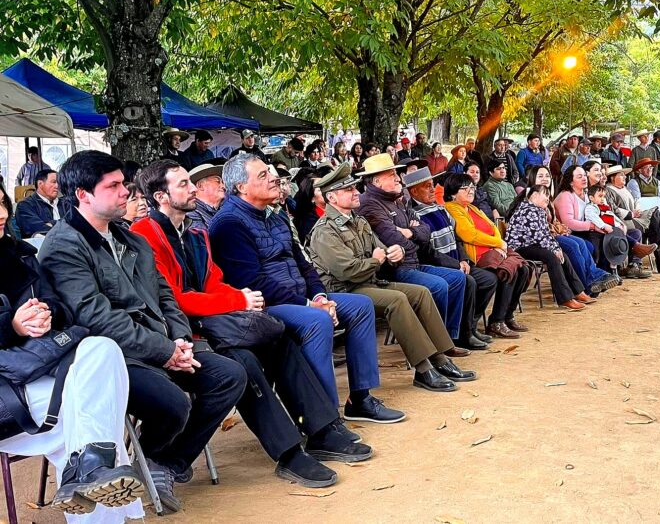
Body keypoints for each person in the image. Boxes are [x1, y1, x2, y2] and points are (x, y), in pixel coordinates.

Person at [132, 160, 375, 488]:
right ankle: (289, 454)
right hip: (181, 333)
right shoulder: (145, 234)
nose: (195, 188)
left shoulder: (194, 230)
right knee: (244, 362)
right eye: (184, 184)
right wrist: (238, 301)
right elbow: (173, 299)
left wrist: (240, 295)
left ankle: (321, 429)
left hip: (213, 323)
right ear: (161, 197)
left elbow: (212, 281)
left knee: (279, 339)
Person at [38, 151, 246, 513]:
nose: (126, 192)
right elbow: (96, 318)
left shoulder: (129, 237)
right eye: (114, 186)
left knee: (229, 375)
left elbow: (164, 294)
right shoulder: (64, 246)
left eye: (125, 184)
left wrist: (180, 339)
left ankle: (161, 463)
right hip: (109, 357)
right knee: (173, 404)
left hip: (158, 344)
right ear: (84, 195)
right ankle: (150, 465)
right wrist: (165, 349)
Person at [208, 154, 396, 416]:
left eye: (270, 172)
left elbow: (304, 264)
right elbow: (251, 282)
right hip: (264, 307)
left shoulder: (275, 216)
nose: (274, 178)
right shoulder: (229, 223)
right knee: (316, 321)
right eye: (263, 175)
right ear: (241, 187)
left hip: (300, 298)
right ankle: (325, 417)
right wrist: (309, 305)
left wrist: (319, 296)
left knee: (361, 306)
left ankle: (360, 399)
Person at [0, 201, 146, 520]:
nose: (1, 214)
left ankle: (84, 472)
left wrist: (47, 315)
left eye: (0, 203)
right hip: (7, 394)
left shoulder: (20, 255)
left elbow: (59, 306)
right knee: (90, 413)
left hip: (39, 367)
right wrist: (10, 325)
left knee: (102, 348)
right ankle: (83, 473)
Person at [307, 165, 475, 391]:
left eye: (354, 187)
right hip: (345, 289)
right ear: (332, 197)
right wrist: (378, 260)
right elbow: (347, 271)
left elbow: (384, 248)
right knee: (397, 300)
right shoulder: (325, 230)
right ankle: (423, 369)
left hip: (369, 282)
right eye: (348, 189)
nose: (356, 192)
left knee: (421, 293)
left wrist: (396, 253)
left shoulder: (359, 221)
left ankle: (440, 358)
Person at [357, 154, 467, 347]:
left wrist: (410, 232)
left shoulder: (396, 199)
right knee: (439, 286)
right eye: (392, 175)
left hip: (413, 263)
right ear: (377, 181)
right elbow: (394, 239)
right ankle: (434, 345)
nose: (399, 178)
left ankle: (449, 338)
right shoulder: (369, 205)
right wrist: (414, 234)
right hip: (394, 270)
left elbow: (426, 231)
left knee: (458, 278)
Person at [405, 168, 497, 350]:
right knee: (468, 282)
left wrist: (463, 260)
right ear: (414, 191)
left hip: (456, 262)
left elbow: (456, 239)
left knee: (489, 279)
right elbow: (427, 252)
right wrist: (456, 265)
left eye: (433, 185)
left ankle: (470, 325)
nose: (433, 190)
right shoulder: (413, 214)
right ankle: (462, 335)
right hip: (436, 266)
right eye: (427, 187)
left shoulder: (440, 209)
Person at [444, 174, 530, 339]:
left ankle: (506, 316)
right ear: (453, 193)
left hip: (493, 250)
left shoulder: (473, 207)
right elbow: (469, 235)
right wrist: (497, 243)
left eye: (472, 187)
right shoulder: (452, 207)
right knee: (506, 271)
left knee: (523, 269)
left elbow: (493, 227)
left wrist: (497, 243)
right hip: (478, 256)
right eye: (465, 188)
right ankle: (495, 321)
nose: (471, 190)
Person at [505, 186, 588, 309]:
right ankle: (565, 298)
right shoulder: (528, 210)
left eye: (548, 195)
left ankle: (577, 291)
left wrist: (557, 248)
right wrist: (554, 250)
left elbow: (546, 235)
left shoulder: (538, 210)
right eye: (545, 195)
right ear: (534, 196)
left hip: (533, 245)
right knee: (551, 256)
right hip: (520, 248)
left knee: (562, 254)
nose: (548, 199)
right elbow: (538, 237)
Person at [553, 165, 626, 283]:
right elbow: (568, 223)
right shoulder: (566, 195)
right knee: (591, 245)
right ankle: (595, 278)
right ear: (571, 182)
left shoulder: (587, 194)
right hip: (570, 232)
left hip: (585, 231)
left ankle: (607, 273)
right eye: (579, 176)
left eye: (584, 176)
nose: (584, 179)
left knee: (608, 236)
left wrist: (616, 223)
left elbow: (601, 211)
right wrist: (593, 226)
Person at [586, 181, 654, 279]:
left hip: (610, 233)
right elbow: (593, 217)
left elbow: (614, 217)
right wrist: (603, 226)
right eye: (600, 196)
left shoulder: (605, 208)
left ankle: (621, 270)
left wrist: (621, 225)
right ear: (591, 198)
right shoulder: (591, 208)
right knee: (603, 250)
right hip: (598, 234)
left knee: (619, 243)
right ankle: (636, 247)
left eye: (604, 196)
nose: (602, 199)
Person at [626, 158, 660, 274]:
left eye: (651, 167)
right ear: (640, 170)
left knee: (656, 218)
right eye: (647, 168)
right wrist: (652, 208)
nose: (650, 170)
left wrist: (658, 207)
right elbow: (637, 200)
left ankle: (650, 260)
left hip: (654, 216)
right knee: (656, 219)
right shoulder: (634, 182)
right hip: (641, 214)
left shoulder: (657, 182)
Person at [15, 169, 68, 238]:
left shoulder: (66, 203)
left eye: (58, 182)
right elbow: (36, 229)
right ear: (40, 184)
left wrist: (51, 224)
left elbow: (77, 223)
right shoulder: (25, 205)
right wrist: (65, 225)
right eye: (54, 182)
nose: (57, 186)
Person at [187, 163, 226, 231]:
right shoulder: (190, 213)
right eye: (217, 181)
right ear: (200, 186)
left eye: (222, 182)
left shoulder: (223, 209)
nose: (223, 186)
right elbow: (202, 239)